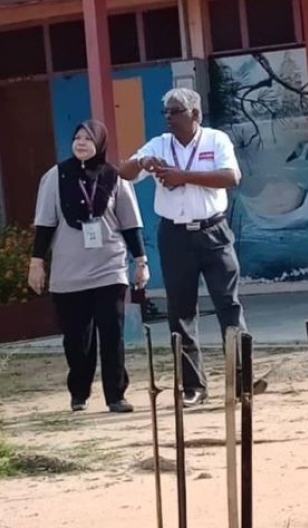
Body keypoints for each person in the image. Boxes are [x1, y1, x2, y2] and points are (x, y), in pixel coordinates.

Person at [119, 88, 245, 407]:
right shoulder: (159, 144)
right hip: (174, 235)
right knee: (181, 311)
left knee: (228, 304)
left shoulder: (216, 140)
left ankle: (242, 379)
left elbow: (231, 177)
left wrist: (183, 176)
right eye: (166, 112)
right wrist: (143, 161)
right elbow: (125, 172)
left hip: (213, 231)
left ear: (195, 114)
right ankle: (193, 386)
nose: (169, 117)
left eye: (175, 111)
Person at [28, 120, 149, 413]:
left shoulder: (115, 177)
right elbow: (44, 225)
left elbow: (131, 225)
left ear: (100, 143)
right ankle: (79, 392)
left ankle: (116, 395)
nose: (81, 143)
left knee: (112, 332)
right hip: (69, 272)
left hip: (109, 267)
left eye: (88, 138)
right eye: (77, 137)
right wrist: (37, 263)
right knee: (76, 339)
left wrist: (141, 262)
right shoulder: (55, 177)